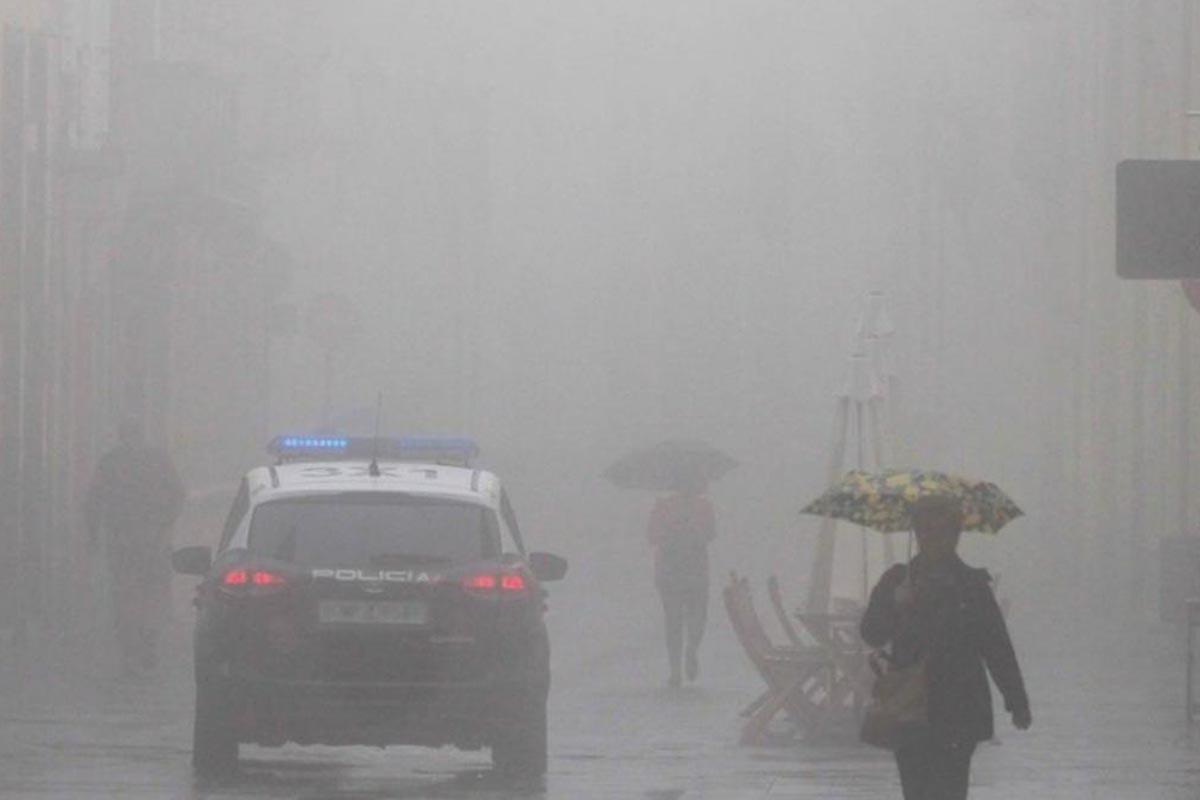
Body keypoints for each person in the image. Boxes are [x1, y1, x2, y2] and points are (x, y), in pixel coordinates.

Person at [860, 494, 1031, 800]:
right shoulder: (897, 580)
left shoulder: (971, 585)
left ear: (956, 534)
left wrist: (1016, 699)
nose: (933, 538)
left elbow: (996, 646)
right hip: (908, 707)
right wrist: (894, 603)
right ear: (916, 533)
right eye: (926, 530)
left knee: (951, 790)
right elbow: (871, 634)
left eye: (942, 531)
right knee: (916, 790)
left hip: (958, 708)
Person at [84, 419, 186, 678]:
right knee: (151, 594)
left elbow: (94, 500)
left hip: (122, 542)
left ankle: (131, 649)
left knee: (124, 596)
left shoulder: (110, 462)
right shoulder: (157, 460)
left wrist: (93, 536)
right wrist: (164, 523)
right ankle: (147, 640)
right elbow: (177, 495)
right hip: (153, 541)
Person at [647, 478, 715, 687]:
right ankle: (687, 654)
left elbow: (651, 537)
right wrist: (686, 529)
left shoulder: (664, 506)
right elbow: (711, 535)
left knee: (677, 621)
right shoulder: (702, 506)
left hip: (675, 571)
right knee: (693, 616)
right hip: (689, 571)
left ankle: (678, 665)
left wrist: (675, 529)